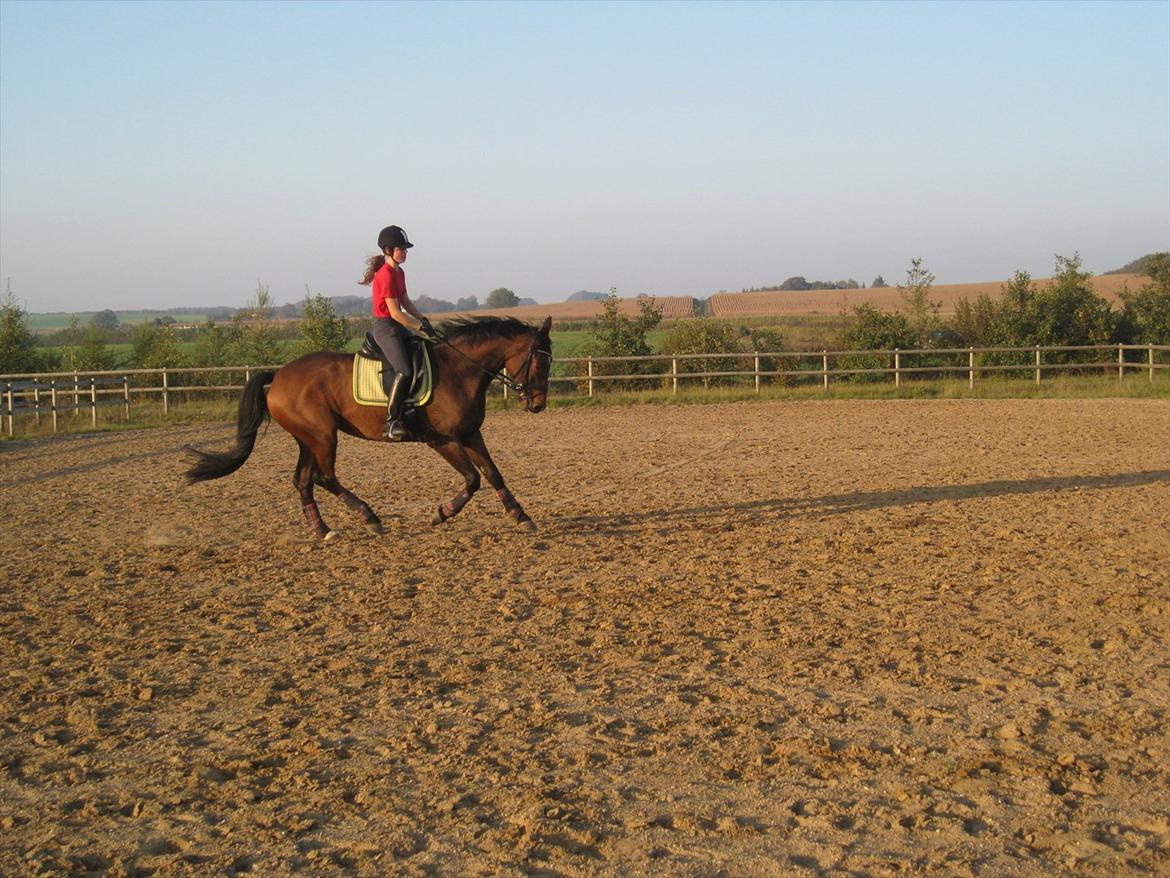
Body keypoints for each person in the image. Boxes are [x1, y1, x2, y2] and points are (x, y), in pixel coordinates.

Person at [358, 225, 436, 440]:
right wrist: (418, 327)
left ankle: (412, 407)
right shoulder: (385, 275)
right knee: (404, 370)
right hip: (386, 328)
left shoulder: (399, 272)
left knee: (423, 352)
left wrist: (423, 319)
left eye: (405, 249)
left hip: (398, 326)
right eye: (402, 249)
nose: (405, 252)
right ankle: (391, 422)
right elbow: (395, 312)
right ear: (388, 250)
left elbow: (406, 302)